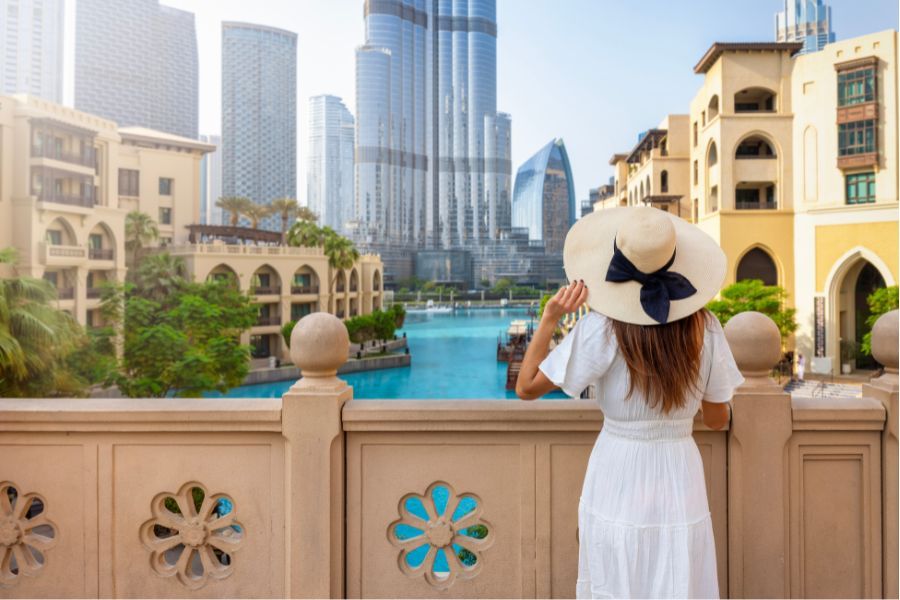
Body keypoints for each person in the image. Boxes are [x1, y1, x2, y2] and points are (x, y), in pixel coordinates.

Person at [516, 206, 744, 599]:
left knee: (616, 575)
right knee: (679, 573)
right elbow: (716, 418)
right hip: (678, 471)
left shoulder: (601, 327)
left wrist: (551, 316)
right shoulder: (705, 327)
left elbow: (527, 386)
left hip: (617, 468)